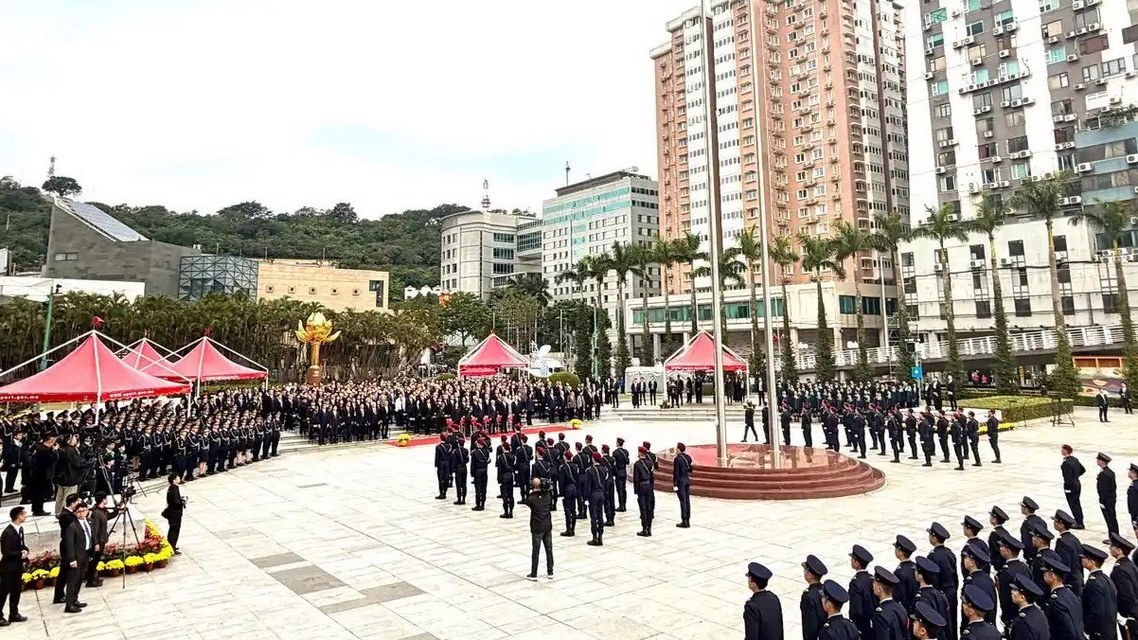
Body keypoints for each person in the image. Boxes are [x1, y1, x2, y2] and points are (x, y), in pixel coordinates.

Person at [1039, 553, 1083, 640]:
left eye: (1045, 573)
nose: (1044, 575)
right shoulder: (1070, 594)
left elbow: (1067, 631)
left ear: (1053, 576)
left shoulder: (1055, 601)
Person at [927, 523, 959, 639]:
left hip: (940, 592)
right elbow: (955, 576)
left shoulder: (932, 556)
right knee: (953, 620)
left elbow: (933, 579)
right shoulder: (950, 553)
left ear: (934, 538)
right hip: (951, 591)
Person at [1078, 544, 1117, 640]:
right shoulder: (1106, 579)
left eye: (1085, 558)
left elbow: (1095, 611)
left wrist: (1088, 630)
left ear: (1092, 562)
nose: (1082, 560)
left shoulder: (1093, 583)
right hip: (1110, 630)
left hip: (1099, 634)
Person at [0, 506, 29, 625]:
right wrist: (20, 554)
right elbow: (6, 552)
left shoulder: (20, 529)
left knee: (16, 591)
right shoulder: (8, 532)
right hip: (8, 568)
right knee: (3, 592)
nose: (26, 515)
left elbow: (21, 544)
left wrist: (25, 550)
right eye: (24, 514)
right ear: (18, 516)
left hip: (17, 567)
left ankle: (14, 613)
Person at [61, 501, 92, 614]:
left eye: (84, 511)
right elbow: (69, 544)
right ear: (75, 513)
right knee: (72, 581)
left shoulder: (89, 521)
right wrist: (72, 559)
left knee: (80, 578)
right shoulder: (72, 526)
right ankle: (69, 605)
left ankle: (75, 599)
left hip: (86, 554)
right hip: (76, 557)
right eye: (79, 511)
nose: (81, 513)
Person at [520, 477, 553, 581]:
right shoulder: (548, 495)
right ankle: (550, 571)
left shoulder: (532, 498)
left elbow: (528, 501)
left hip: (537, 527)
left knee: (536, 551)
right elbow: (548, 492)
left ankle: (534, 573)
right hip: (547, 526)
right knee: (549, 550)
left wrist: (535, 491)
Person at [1107, 533, 1138, 640]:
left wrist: (1124, 615)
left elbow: (1126, 595)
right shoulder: (1130, 564)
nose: (1110, 548)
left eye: (1112, 546)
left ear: (1119, 551)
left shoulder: (1119, 571)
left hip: (1130, 616)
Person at [51, 493, 80, 606]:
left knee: (64, 571)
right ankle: (59, 595)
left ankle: (60, 595)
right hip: (67, 546)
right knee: (64, 572)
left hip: (69, 545)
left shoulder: (68, 514)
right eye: (77, 502)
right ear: (72, 503)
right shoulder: (66, 516)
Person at [743, 561, 783, 640]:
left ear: (754, 584)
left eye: (749, 578)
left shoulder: (751, 606)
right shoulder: (773, 598)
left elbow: (751, 636)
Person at [1007, 574, 1049, 640]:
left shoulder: (1021, 622)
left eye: (1015, 590)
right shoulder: (1039, 613)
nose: (1012, 592)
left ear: (1022, 597)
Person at [871, 566, 907, 640]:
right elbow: (906, 635)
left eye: (874, 584)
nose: (872, 586)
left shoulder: (880, 615)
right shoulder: (901, 608)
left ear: (879, 589)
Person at [53, 433, 85, 517]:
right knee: (68, 497)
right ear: (68, 440)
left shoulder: (61, 449)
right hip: (70, 477)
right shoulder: (71, 450)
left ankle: (58, 512)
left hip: (61, 477)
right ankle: (65, 513)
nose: (76, 439)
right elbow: (78, 464)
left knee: (60, 496)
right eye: (74, 438)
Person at [85, 493, 112, 588]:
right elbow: (94, 530)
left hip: (102, 539)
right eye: (106, 498)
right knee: (94, 561)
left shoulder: (102, 510)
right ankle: (90, 580)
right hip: (98, 540)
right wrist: (96, 543)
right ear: (103, 500)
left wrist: (118, 509)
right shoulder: (96, 513)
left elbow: (108, 516)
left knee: (96, 560)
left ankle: (93, 577)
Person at [847, 545, 874, 639]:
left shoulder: (855, 583)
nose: (851, 561)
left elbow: (856, 610)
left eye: (852, 559)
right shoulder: (872, 578)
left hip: (862, 625)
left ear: (857, 563)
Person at [800, 554, 827, 640]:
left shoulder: (807, 596)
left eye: (805, 570)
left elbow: (810, 625)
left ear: (809, 575)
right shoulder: (826, 590)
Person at [1060, 445, 1086, 529]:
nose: (1061, 451)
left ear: (1066, 451)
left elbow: (1067, 478)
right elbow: (1083, 470)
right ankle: (1079, 520)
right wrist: (1075, 476)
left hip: (1071, 486)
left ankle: (1079, 523)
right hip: (1077, 483)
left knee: (1073, 504)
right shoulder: (1074, 459)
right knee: (1077, 503)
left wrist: (1067, 488)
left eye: (1063, 449)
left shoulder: (1066, 463)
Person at [584, 452, 607, 546]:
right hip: (601, 493)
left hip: (593, 494)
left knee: (593, 516)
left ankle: (594, 537)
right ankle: (600, 537)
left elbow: (587, 486)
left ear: (593, 459)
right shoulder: (604, 469)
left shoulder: (590, 470)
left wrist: (586, 497)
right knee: (600, 515)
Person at [893, 534, 919, 612]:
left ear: (900, 552)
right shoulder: (916, 566)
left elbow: (899, 595)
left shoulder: (899, 572)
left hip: (907, 609)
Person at [1096, 453, 1119, 536]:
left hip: (1107, 500)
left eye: (1098, 460)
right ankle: (1115, 535)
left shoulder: (1104, 474)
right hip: (1111, 498)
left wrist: (1102, 501)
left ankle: (1113, 537)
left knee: (1109, 519)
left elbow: (1104, 489)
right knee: (1112, 518)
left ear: (1102, 461)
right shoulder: (1110, 472)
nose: (1097, 461)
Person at [633, 447, 654, 537]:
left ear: (641, 453)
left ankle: (644, 528)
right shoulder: (650, 463)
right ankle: (649, 528)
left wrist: (636, 490)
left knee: (643, 508)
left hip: (641, 486)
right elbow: (652, 477)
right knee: (649, 507)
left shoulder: (637, 464)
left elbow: (636, 479)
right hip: (649, 486)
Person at [1019, 497, 1046, 561]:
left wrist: (1028, 556)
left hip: (1032, 556)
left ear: (1026, 509)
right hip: (1043, 554)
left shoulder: (1026, 524)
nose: (1021, 508)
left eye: (1022, 506)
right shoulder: (1041, 521)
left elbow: (1027, 542)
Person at [163, 473, 185, 554]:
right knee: (174, 530)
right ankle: (172, 547)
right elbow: (176, 502)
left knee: (172, 529)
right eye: (178, 477)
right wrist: (182, 502)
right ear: (174, 480)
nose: (179, 478)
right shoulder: (174, 489)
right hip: (175, 513)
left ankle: (172, 545)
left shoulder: (172, 488)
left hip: (172, 512)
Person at [673, 442, 693, 528]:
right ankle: (688, 519)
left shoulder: (677, 459)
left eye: (676, 448)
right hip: (687, 479)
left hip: (680, 481)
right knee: (687, 501)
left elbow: (676, 473)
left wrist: (674, 484)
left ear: (679, 449)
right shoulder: (688, 457)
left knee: (682, 501)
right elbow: (690, 470)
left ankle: (684, 520)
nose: (675, 450)